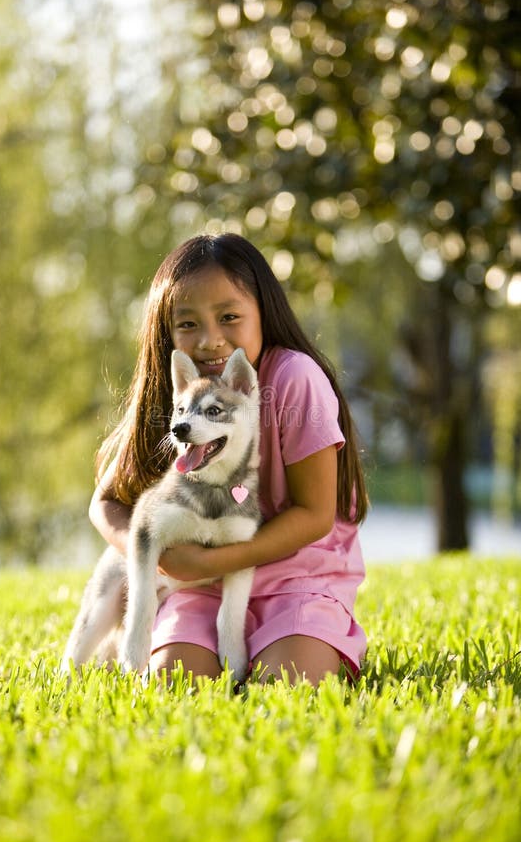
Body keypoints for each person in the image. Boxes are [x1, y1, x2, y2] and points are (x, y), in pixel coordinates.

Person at [89, 233, 368, 685]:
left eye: (229, 317)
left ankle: (310, 636)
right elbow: (105, 502)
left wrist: (209, 562)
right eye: (188, 324)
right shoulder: (179, 390)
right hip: (199, 589)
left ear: (264, 314)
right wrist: (160, 558)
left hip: (295, 580)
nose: (210, 340)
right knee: (174, 687)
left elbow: (315, 515)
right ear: (167, 331)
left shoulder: (294, 380)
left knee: (290, 689)